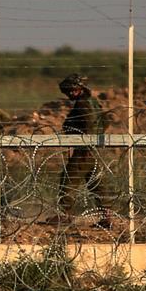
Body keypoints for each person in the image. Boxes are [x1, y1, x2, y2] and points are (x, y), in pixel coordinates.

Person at [52, 73, 112, 229]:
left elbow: (89, 123)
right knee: (95, 183)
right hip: (90, 149)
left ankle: (64, 215)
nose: (68, 94)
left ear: (77, 89)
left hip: (83, 150)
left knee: (69, 180)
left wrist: (85, 143)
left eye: (70, 91)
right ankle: (107, 217)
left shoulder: (82, 104)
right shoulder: (92, 102)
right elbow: (105, 121)